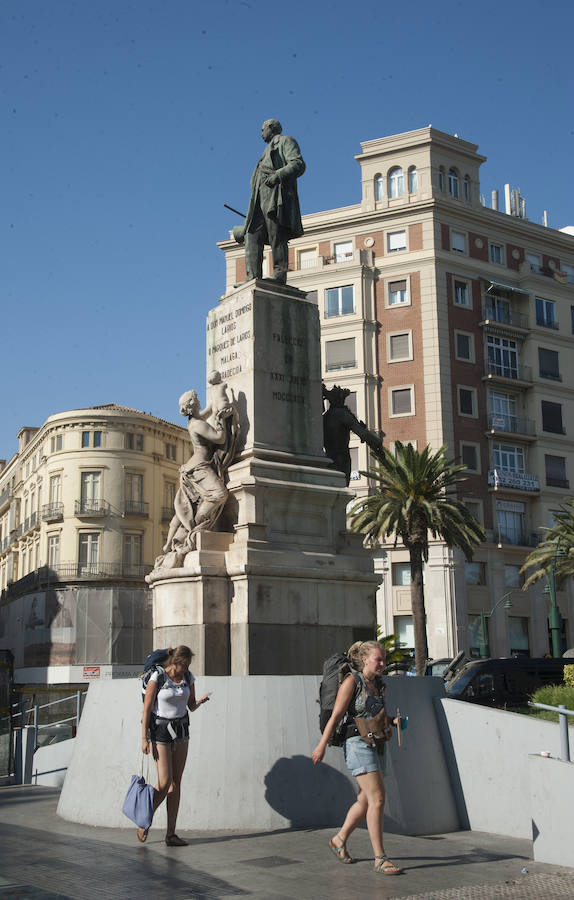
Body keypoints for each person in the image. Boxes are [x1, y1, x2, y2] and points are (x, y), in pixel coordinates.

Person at [311, 640, 403, 876]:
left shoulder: (378, 685)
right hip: (357, 744)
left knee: (365, 800)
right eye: (378, 659)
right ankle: (380, 858)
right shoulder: (353, 681)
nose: (382, 663)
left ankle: (339, 839)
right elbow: (336, 716)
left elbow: (375, 716)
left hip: (376, 743)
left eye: (384, 659)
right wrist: (321, 745)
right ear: (364, 660)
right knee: (378, 799)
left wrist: (393, 720)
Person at [155, 388, 238, 568]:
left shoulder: (195, 419)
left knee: (187, 505)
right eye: (196, 398)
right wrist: (222, 420)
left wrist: (218, 396)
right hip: (199, 468)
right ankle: (198, 523)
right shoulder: (198, 425)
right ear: (192, 404)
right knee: (219, 494)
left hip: (195, 466)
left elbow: (207, 410)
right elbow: (220, 437)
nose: (199, 400)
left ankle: (171, 541)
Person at [139, 645, 210, 845]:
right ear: (175, 662)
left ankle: (171, 833)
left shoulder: (188, 678)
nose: (186, 668)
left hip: (181, 731)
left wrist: (200, 702)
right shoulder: (158, 678)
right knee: (164, 782)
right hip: (160, 731)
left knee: (176, 783)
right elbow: (146, 711)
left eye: (188, 665)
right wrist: (144, 738)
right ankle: (143, 819)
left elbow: (191, 706)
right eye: (184, 664)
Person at [233, 118, 305, 285]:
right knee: (251, 234)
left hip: (275, 195)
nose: (261, 133)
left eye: (262, 129)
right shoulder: (266, 150)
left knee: (276, 233)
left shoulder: (285, 141)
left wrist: (277, 176)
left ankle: (279, 274)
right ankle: (252, 276)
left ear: (271, 128)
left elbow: (298, 164)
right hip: (259, 197)